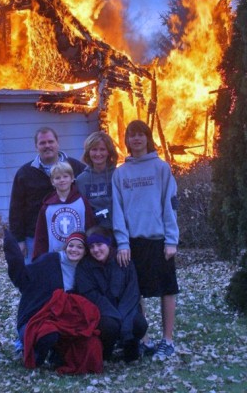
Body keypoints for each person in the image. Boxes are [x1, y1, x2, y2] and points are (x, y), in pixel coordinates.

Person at [112, 119, 179, 361]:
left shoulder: (161, 168)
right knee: (135, 293)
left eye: (141, 134)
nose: (137, 139)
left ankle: (167, 340)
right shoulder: (120, 173)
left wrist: (171, 239)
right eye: (132, 135)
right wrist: (122, 243)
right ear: (127, 140)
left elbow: (169, 205)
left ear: (148, 138)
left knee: (167, 289)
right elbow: (117, 210)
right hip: (133, 242)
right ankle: (143, 339)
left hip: (159, 239)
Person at [3, 228, 103, 374]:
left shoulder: (85, 270)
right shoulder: (50, 261)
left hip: (66, 319)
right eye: (71, 245)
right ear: (66, 246)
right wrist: (14, 256)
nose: (74, 250)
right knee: (48, 334)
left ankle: (58, 356)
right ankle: (35, 355)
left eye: (79, 247)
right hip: (38, 315)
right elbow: (23, 278)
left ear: (85, 251)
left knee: (90, 344)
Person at [9, 126, 85, 264]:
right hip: (34, 238)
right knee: (36, 278)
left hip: (70, 237)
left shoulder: (76, 167)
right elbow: (16, 209)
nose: (47, 146)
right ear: (36, 146)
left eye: (50, 141)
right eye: (42, 143)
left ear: (57, 143)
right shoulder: (25, 173)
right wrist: (19, 240)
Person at [75, 225, 148, 363]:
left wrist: (122, 315)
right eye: (91, 247)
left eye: (99, 244)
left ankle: (130, 347)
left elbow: (132, 292)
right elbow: (90, 295)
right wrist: (114, 315)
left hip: (125, 309)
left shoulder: (123, 261)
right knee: (109, 326)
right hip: (102, 311)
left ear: (108, 243)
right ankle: (106, 350)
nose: (95, 250)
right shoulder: (84, 266)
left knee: (138, 323)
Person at [32, 161, 95, 260]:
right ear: (52, 182)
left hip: (81, 256)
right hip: (56, 257)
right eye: (57, 178)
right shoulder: (47, 207)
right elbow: (41, 235)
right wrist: (38, 258)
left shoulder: (82, 202)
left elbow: (90, 227)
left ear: (72, 178)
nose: (62, 180)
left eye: (65, 176)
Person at [76, 131, 118, 229]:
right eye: (94, 149)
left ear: (109, 152)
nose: (98, 154)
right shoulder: (81, 180)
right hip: (93, 232)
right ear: (88, 152)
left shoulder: (118, 175)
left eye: (102, 149)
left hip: (117, 230)